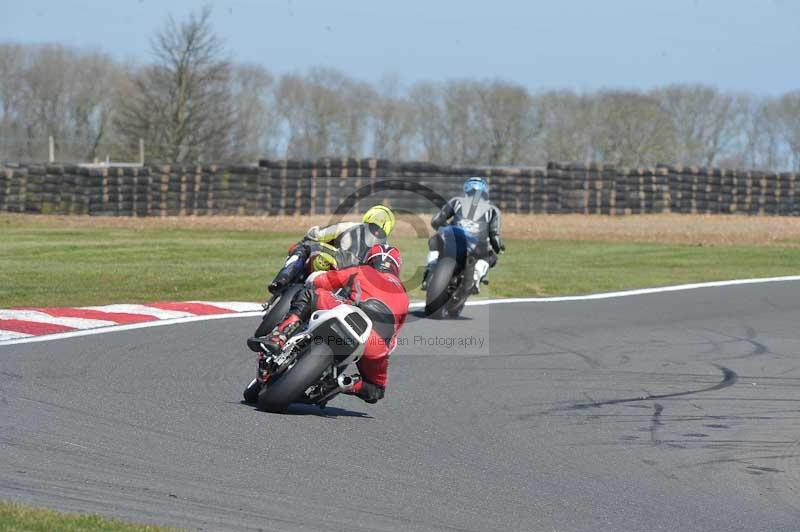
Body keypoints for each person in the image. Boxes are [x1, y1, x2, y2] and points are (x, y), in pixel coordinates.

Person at [258, 244, 408, 404]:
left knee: (309, 294)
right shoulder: (404, 295)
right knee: (376, 389)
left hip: (349, 314)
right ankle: (344, 384)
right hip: (375, 342)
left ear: (370, 259)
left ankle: (279, 335)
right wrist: (381, 354)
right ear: (396, 266)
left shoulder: (362, 270)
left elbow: (325, 281)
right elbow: (393, 339)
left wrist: (313, 278)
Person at [267, 205, 396, 295]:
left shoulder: (351, 226)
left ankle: (282, 280)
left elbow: (316, 234)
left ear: (369, 216)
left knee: (305, 246)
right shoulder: (386, 249)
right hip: (356, 282)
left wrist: (311, 233)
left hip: (337, 262)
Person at [423, 177, 505, 293]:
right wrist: (499, 248)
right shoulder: (493, 209)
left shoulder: (456, 201)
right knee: (491, 256)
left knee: (435, 242)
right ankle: (476, 277)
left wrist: (447, 229)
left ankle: (430, 270)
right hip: (478, 245)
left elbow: (436, 221)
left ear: (466, 189)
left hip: (454, 239)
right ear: (484, 191)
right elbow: (494, 235)